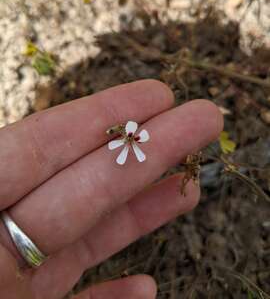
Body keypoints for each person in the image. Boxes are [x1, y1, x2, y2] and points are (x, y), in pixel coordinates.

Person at [0, 80, 223, 299]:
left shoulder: (133, 139)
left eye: (129, 136)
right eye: (127, 135)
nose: (129, 137)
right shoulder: (127, 139)